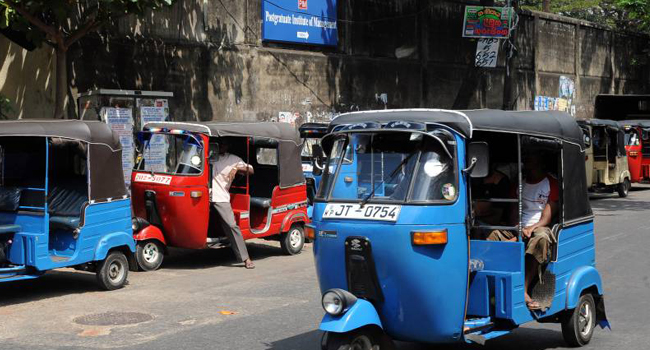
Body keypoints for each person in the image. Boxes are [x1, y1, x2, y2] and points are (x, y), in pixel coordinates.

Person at [487, 153, 558, 310]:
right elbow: (513, 211)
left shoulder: (551, 184)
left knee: (540, 237)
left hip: (539, 227)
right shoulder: (519, 184)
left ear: (540, 162)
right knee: (491, 235)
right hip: (519, 227)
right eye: (525, 160)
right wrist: (518, 227)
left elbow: (547, 217)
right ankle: (492, 286)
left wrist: (531, 229)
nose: (526, 162)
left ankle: (523, 289)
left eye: (530, 159)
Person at [210, 139, 255, 269]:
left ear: (228, 146)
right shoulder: (208, 156)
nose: (221, 147)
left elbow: (251, 170)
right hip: (203, 194)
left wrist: (240, 168)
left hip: (220, 196)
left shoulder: (233, 159)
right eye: (219, 144)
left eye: (224, 144)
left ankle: (245, 258)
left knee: (231, 225)